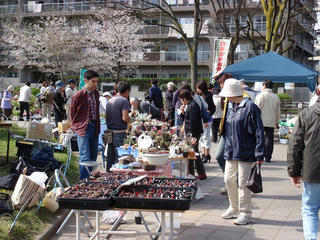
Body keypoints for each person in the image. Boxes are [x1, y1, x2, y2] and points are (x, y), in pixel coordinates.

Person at [219, 78, 264, 225]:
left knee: (243, 183)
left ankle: (246, 213)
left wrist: (259, 153)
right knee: (228, 179)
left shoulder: (250, 106)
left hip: (246, 150)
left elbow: (259, 131)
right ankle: (234, 207)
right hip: (231, 149)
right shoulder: (230, 105)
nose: (225, 97)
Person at [287, 97, 320, 240]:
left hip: (312, 170)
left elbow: (295, 145)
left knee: (310, 208)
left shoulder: (306, 114)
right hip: (311, 170)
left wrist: (294, 171)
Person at [70, 70, 100, 180]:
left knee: (93, 155)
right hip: (83, 128)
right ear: (85, 81)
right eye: (93, 81)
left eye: (97, 81)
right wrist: (76, 126)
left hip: (94, 126)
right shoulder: (78, 95)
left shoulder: (96, 94)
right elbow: (72, 113)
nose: (95, 84)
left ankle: (90, 178)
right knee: (85, 156)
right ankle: (83, 181)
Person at [179, 89, 207, 180]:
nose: (181, 102)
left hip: (193, 134)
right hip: (191, 133)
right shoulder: (190, 105)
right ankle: (190, 173)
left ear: (185, 98)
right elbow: (187, 119)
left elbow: (193, 122)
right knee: (191, 153)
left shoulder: (193, 106)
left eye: (182, 100)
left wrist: (192, 137)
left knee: (194, 154)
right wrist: (183, 113)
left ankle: (201, 173)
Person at [105, 81, 131, 171]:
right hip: (119, 133)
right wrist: (130, 120)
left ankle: (108, 176)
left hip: (108, 132)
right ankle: (119, 178)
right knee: (121, 158)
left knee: (110, 157)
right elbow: (125, 118)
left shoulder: (110, 100)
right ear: (127, 91)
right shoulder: (124, 101)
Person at [255, 80, 280, 162]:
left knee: (260, 138)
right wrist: (277, 121)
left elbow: (256, 109)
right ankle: (268, 156)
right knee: (269, 139)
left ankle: (260, 155)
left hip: (260, 120)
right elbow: (278, 111)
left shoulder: (260, 96)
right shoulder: (276, 97)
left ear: (264, 86)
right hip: (271, 121)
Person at [195, 80, 216, 163]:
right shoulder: (200, 96)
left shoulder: (208, 96)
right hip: (202, 120)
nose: (197, 90)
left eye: (198, 88)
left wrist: (208, 116)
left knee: (206, 137)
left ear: (202, 88)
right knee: (202, 138)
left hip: (207, 120)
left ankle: (207, 155)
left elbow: (212, 108)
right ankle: (204, 153)